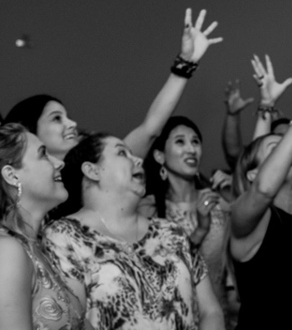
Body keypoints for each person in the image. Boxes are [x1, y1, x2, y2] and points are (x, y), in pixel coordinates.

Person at [44, 133, 224, 330]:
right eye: (122, 153)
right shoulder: (64, 236)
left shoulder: (172, 233)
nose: (138, 159)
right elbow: (72, 321)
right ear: (92, 170)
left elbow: (211, 311)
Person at [5, 9, 222, 160]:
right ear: (29, 132)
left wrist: (185, 65)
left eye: (67, 115)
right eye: (57, 118)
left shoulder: (93, 174)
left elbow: (150, 130)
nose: (71, 123)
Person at [0, 123, 84, 330]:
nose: (59, 163)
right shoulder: (1, 251)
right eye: (43, 155)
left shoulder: (35, 250)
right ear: (12, 176)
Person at [228, 65, 292, 330]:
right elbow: (263, 189)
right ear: (253, 174)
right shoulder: (246, 217)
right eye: (279, 148)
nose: (291, 151)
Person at [141, 116, 230, 323]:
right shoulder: (148, 209)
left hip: (218, 319)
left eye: (195, 142)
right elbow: (159, 272)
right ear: (159, 156)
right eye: (180, 141)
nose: (191, 149)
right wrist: (200, 230)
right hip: (172, 321)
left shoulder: (216, 202)